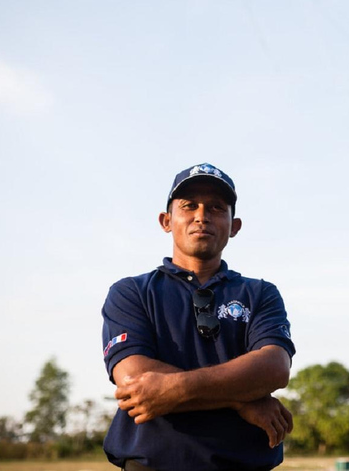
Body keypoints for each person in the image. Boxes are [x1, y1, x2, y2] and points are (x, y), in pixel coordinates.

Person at [101, 163, 296, 471]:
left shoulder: (260, 293)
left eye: (217, 208)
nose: (202, 216)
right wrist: (241, 400)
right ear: (166, 221)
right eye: (189, 206)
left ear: (234, 226)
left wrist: (174, 389)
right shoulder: (131, 292)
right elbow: (135, 382)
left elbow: (273, 368)